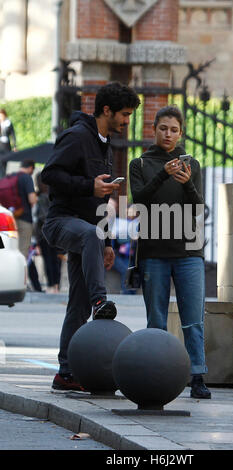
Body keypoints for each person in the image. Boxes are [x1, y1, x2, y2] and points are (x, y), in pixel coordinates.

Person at [41, 81, 140, 392]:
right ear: (106, 110)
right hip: (60, 221)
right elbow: (50, 175)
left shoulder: (105, 145)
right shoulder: (76, 137)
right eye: (124, 114)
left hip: (89, 232)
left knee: (77, 305)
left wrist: (107, 243)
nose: (127, 121)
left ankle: (65, 374)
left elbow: (100, 202)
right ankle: (102, 301)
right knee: (87, 236)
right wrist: (88, 186)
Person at [129, 105, 211, 399]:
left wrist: (187, 183)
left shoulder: (192, 164)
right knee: (156, 318)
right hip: (153, 250)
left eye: (174, 129)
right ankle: (156, 373)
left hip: (188, 250)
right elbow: (139, 200)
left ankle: (197, 376)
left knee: (193, 318)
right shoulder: (139, 164)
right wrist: (163, 175)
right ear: (154, 129)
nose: (168, 134)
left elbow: (198, 208)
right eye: (163, 128)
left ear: (180, 132)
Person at [34, 172, 62, 293]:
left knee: (48, 259)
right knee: (56, 260)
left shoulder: (41, 198)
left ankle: (51, 285)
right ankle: (56, 285)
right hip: (57, 231)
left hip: (45, 233)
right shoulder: (55, 195)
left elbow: (41, 217)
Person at [16, 159, 37, 259]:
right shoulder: (27, 178)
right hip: (24, 219)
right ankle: (20, 274)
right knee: (23, 250)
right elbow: (32, 199)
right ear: (30, 168)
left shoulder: (11, 177)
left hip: (10, 219)